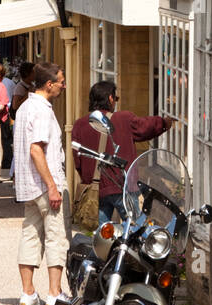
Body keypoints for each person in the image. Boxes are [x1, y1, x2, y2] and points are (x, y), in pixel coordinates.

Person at [72, 80, 175, 227]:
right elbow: (146, 126)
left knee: (102, 239)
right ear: (110, 98)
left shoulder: (79, 125)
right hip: (123, 187)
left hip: (95, 192)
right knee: (136, 233)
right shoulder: (123, 119)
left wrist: (90, 179)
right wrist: (165, 123)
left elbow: (78, 161)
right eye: (116, 99)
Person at [13, 62, 70, 305]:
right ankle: (54, 292)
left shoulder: (24, 107)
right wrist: (52, 186)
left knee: (31, 234)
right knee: (56, 236)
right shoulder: (42, 110)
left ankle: (28, 292)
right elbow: (37, 150)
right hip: (45, 184)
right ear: (49, 84)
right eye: (61, 82)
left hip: (28, 184)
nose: (63, 86)